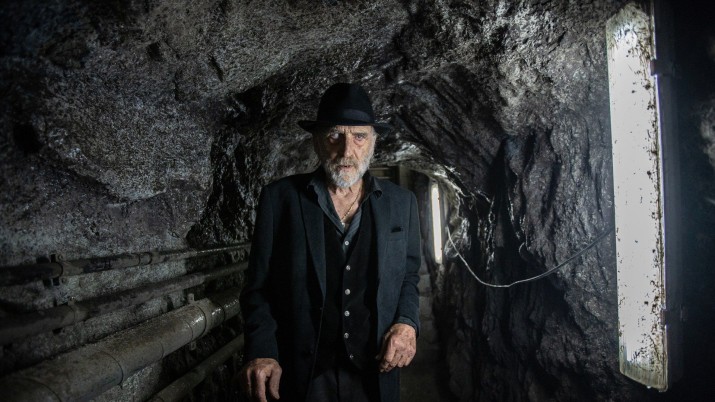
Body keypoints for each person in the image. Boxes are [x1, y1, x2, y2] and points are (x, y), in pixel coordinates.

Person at [238, 82, 421, 402]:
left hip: (374, 370)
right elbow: (258, 288)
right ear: (317, 141)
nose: (347, 151)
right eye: (335, 135)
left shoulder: (402, 203)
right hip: (303, 374)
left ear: (373, 142)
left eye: (359, 136)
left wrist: (407, 323)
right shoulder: (279, 200)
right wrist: (262, 350)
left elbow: (408, 275)